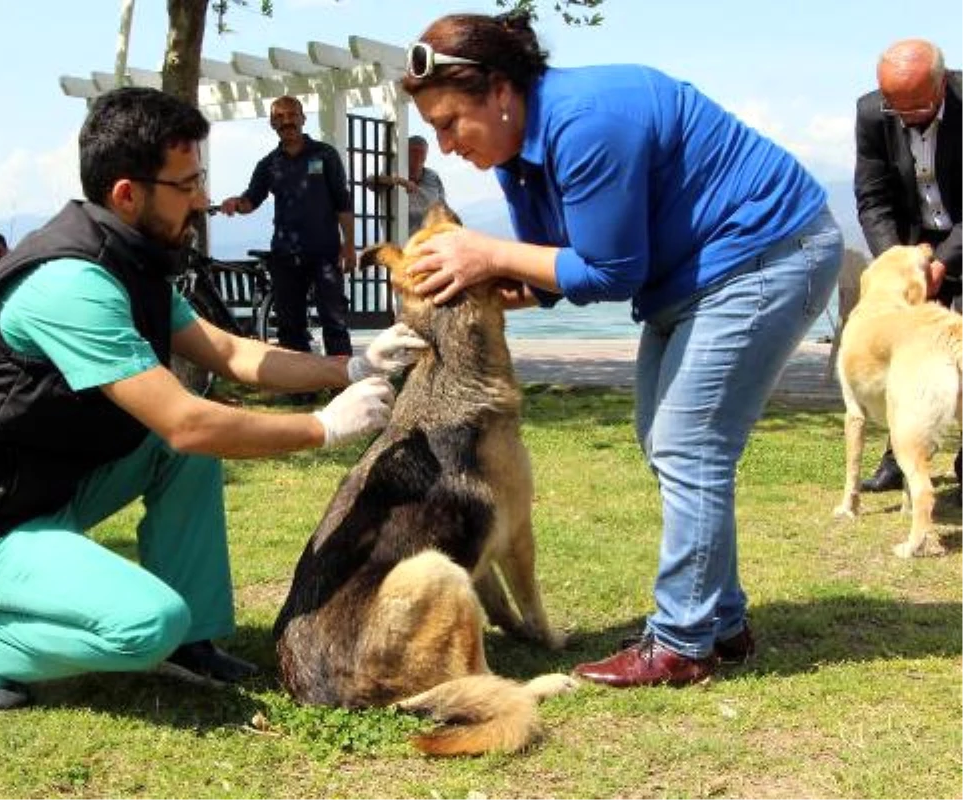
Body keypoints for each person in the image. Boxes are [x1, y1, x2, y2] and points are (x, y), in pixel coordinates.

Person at [0, 87, 427, 712]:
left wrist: (349, 365)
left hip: (40, 491)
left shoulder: (127, 259)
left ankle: (191, 642)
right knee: (145, 623)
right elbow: (185, 422)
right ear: (128, 194)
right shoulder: (71, 283)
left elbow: (228, 353)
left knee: (185, 458)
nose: (202, 198)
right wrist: (322, 428)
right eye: (187, 183)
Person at [400, 12, 843, 688]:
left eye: (451, 122)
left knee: (689, 444)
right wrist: (497, 285)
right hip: (688, 279)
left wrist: (486, 250)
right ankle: (721, 624)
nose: (447, 143)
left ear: (500, 92)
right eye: (436, 129)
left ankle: (682, 645)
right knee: (661, 436)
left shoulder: (587, 122)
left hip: (766, 255)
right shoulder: (518, 154)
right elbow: (558, 263)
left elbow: (611, 271)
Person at [854, 39, 963, 495]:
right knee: (903, 353)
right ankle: (900, 456)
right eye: (894, 108)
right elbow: (873, 198)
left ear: (940, 84)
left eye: (916, 107)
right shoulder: (872, 112)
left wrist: (944, 260)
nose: (904, 118)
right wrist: (898, 264)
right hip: (909, 245)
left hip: (959, 237)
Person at [219, 96, 357, 372]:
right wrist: (236, 202)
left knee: (334, 321)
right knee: (290, 327)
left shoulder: (325, 155)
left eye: (292, 115)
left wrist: (349, 246)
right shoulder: (268, 164)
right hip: (285, 256)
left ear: (303, 118)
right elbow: (251, 201)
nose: (286, 121)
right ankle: (300, 386)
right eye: (279, 117)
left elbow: (343, 202)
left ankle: (343, 383)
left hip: (325, 253)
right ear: (272, 124)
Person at [363, 134, 448, 233]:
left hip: (430, 238)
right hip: (401, 240)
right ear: (405, 153)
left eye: (422, 152)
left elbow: (443, 205)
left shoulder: (433, 177)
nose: (418, 156)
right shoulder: (394, 173)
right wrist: (401, 181)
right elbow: (369, 181)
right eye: (414, 151)